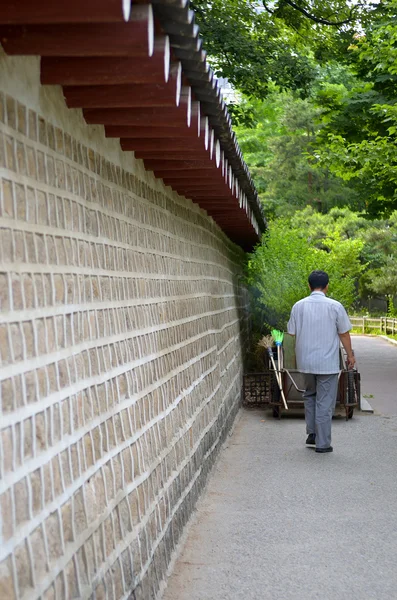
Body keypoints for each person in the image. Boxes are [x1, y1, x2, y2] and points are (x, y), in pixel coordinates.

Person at [287, 270, 356, 453]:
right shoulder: (335, 306)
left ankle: (312, 434)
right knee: (325, 401)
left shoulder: (298, 306)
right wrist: (350, 355)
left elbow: (291, 333)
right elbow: (344, 333)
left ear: (309, 286)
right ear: (327, 286)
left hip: (305, 361)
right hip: (327, 363)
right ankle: (323, 443)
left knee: (310, 395)